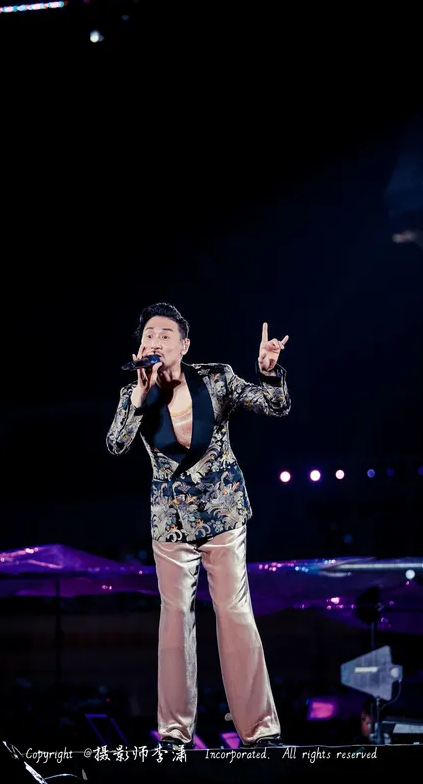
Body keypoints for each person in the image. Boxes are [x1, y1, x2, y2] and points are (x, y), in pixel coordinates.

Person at [106, 302, 291, 750]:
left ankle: (259, 731)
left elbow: (275, 406)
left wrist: (269, 371)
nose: (155, 340)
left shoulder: (216, 378)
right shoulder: (134, 393)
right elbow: (116, 444)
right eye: (149, 335)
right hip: (171, 522)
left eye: (165, 335)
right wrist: (138, 397)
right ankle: (174, 733)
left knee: (234, 613)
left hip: (224, 514)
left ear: (184, 345)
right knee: (175, 620)